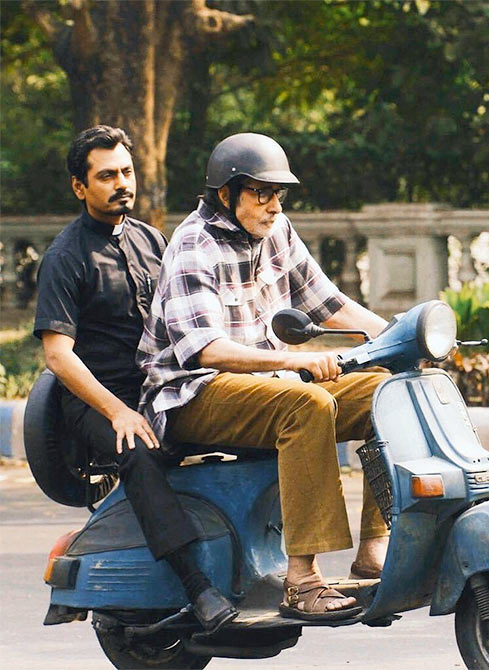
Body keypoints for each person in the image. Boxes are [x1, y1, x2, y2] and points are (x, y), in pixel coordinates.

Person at [137, 132, 390, 621]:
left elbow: (329, 303)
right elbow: (205, 350)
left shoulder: (277, 230)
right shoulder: (194, 243)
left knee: (387, 390)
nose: (273, 206)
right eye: (260, 193)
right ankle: (302, 581)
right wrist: (296, 362)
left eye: (279, 194)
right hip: (191, 394)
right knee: (307, 404)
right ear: (226, 195)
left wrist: (405, 336)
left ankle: (376, 546)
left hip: (267, 386)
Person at [33, 125, 237, 634]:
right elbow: (58, 356)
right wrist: (117, 411)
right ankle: (198, 588)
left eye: (126, 172)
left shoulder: (151, 239)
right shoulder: (65, 257)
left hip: (158, 387)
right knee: (138, 450)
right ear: (80, 187)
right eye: (106, 176)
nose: (121, 183)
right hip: (95, 400)